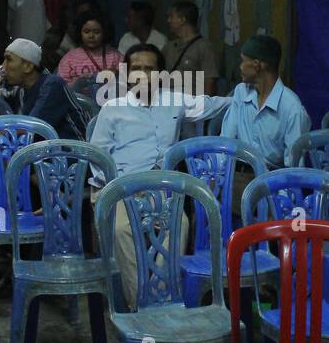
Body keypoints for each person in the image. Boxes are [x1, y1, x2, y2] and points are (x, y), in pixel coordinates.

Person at [87, 43, 231, 306]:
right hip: (122, 186)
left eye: (150, 69)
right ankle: (139, 302)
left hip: (161, 188)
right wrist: (111, 189)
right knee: (122, 228)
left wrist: (245, 94)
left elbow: (214, 105)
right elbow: (99, 156)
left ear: (162, 74)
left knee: (179, 225)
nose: (143, 75)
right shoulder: (113, 108)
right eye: (136, 69)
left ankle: (160, 296)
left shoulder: (175, 101)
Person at [220, 34, 310, 171]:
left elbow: (294, 169)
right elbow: (226, 142)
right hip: (236, 176)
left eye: (243, 61)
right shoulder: (241, 93)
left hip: (272, 183)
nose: (240, 67)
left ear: (257, 65)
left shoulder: (292, 109)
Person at [0, 38, 82, 140]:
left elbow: (30, 128)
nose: (3, 66)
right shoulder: (21, 89)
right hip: (44, 153)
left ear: (28, 66)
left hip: (72, 153)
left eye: (8, 60)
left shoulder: (52, 85)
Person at [163, 0, 219, 96]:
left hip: (191, 105)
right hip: (168, 103)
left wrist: (205, 108)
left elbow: (210, 82)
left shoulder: (204, 47)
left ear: (182, 19)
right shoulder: (169, 47)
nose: (169, 20)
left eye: (171, 16)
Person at [55, 11, 122, 92]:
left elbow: (127, 80)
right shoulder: (70, 58)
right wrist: (78, 82)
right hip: (79, 103)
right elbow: (60, 87)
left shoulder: (115, 55)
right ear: (80, 32)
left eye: (96, 32)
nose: (91, 36)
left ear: (104, 32)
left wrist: (116, 74)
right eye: (86, 32)